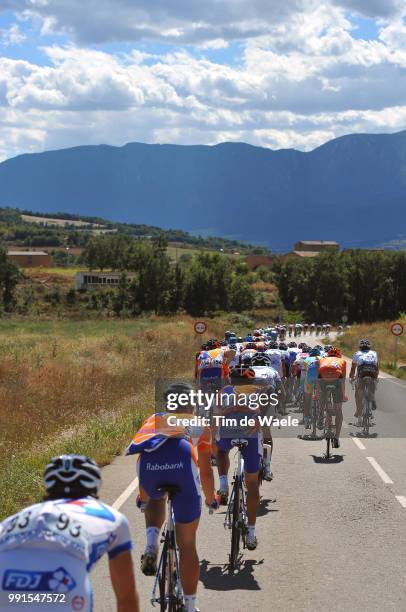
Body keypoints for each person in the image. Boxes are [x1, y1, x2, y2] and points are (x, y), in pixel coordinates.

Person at [0, 455, 139, 612]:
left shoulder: (13, 519)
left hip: (7, 588)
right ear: (95, 488)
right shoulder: (111, 517)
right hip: (62, 590)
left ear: (48, 488)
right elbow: (126, 599)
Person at [126, 382, 218, 612]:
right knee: (187, 545)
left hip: (149, 473)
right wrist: (210, 499)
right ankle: (189, 605)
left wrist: (143, 497)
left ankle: (150, 543)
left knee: (154, 500)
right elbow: (205, 472)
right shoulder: (199, 426)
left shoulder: (154, 420)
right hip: (182, 468)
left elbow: (142, 458)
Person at [214, 385, 262, 550]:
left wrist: (231, 409)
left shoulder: (223, 391)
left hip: (228, 433)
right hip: (250, 436)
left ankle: (222, 484)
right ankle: (251, 533)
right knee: (252, 484)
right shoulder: (256, 390)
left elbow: (217, 414)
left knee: (220, 451)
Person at [318, 348, 347, 447]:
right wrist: (344, 395)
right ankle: (337, 438)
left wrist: (316, 393)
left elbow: (318, 378)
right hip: (336, 382)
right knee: (338, 410)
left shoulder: (321, 360)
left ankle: (321, 415)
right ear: (339, 356)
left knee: (321, 396)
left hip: (324, 381)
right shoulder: (342, 361)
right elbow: (342, 380)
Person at [350, 339, 379, 424]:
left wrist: (351, 378)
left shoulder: (357, 353)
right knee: (373, 384)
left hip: (362, 373)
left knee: (358, 394)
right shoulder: (374, 353)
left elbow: (353, 368)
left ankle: (359, 417)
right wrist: (376, 378)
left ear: (360, 347)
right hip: (373, 371)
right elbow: (377, 366)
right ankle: (372, 397)